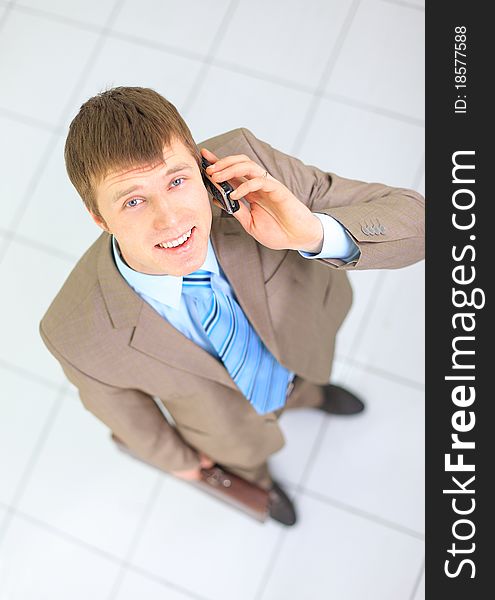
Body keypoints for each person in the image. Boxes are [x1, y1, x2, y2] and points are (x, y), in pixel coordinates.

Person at [40, 86, 424, 526]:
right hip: (224, 431)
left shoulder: (250, 169)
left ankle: (309, 395)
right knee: (246, 460)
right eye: (133, 200)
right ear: (100, 219)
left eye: (178, 180)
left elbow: (420, 222)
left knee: (302, 382)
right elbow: (128, 418)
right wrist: (179, 461)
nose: (171, 219)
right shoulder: (74, 333)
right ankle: (262, 482)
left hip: (299, 348)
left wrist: (311, 233)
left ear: (204, 168)